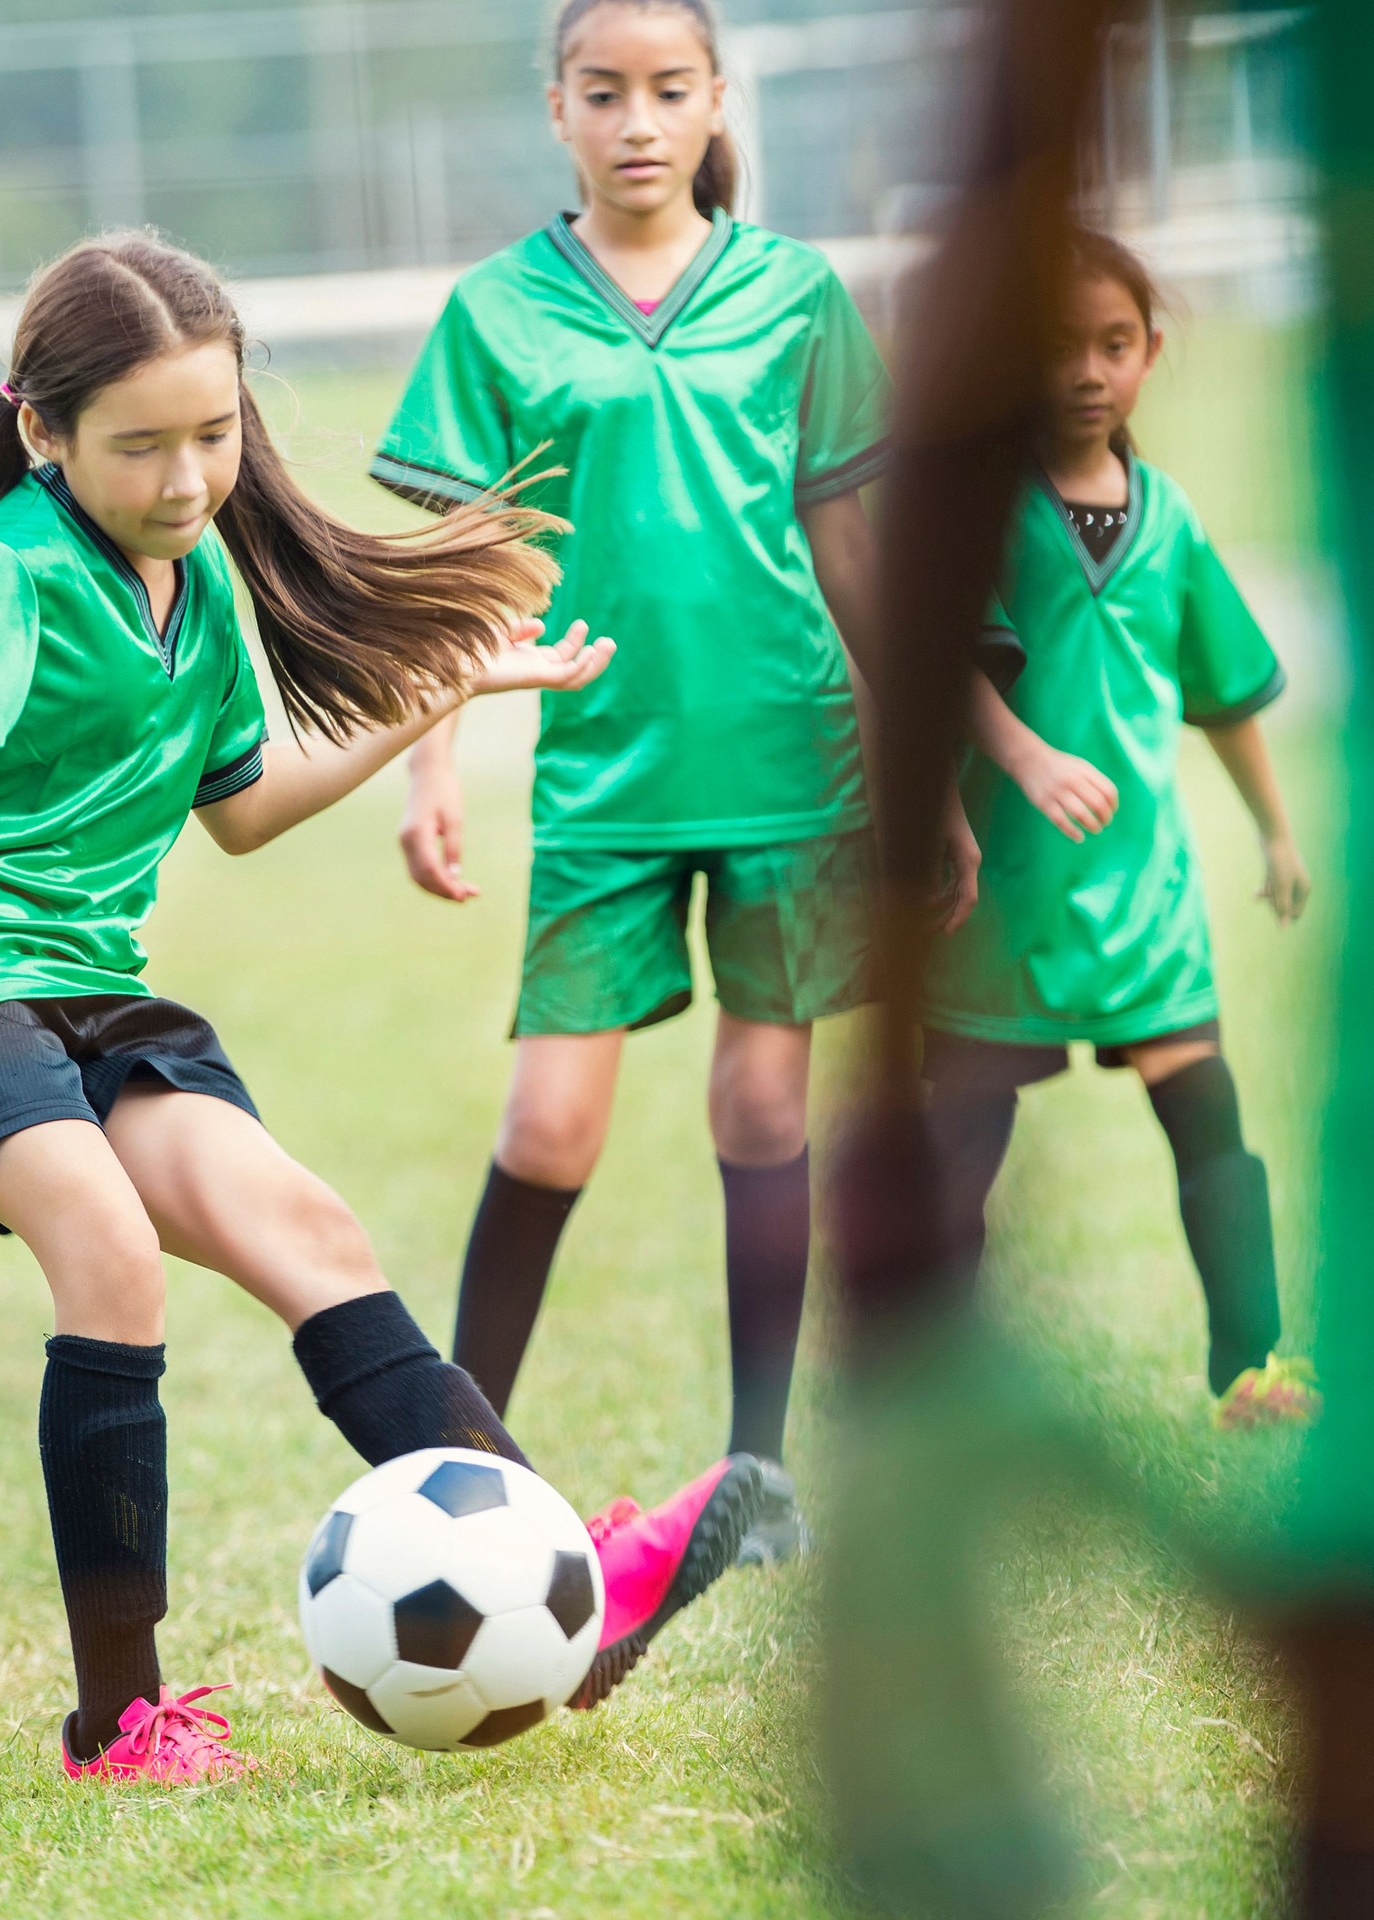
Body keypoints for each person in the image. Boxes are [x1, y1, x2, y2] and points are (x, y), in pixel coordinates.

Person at [0, 233, 764, 1787]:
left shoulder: (196, 578)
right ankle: (122, 1723)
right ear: (44, 431)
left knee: (315, 1235)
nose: (184, 478)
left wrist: (447, 689)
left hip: (84, 990)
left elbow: (245, 807)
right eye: (141, 446)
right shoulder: (6, 577)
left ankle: (577, 1563)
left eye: (213, 437)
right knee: (104, 1243)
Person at [375, 0, 980, 1561]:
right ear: (556, 109)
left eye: (668, 90)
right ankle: (453, 1474)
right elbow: (468, 569)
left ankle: (755, 1476)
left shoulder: (794, 295)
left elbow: (850, 547)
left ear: (717, 103)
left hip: (793, 760)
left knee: (766, 1099)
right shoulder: (496, 312)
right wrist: (430, 765)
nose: (637, 121)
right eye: (603, 91)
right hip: (603, 773)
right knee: (550, 1126)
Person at [922, 228, 1319, 1430]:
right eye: (1054, 346)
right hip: (1000, 898)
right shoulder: (985, 512)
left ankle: (1251, 1369)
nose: (1087, 371)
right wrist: (1024, 762)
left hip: (1147, 895)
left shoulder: (1173, 518)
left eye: (1113, 345)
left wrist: (1276, 830)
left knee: (1210, 1122)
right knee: (964, 1160)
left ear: (1151, 353)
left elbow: (1224, 688)